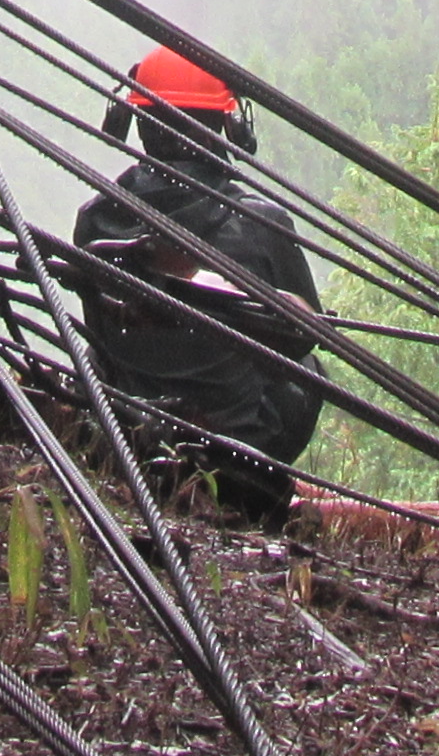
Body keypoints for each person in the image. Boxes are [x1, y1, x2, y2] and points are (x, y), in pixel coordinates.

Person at [69, 47, 323, 522]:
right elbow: (306, 335)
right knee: (309, 368)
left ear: (137, 124)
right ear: (227, 128)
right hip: (238, 454)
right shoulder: (262, 225)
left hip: (130, 434)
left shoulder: (94, 222)